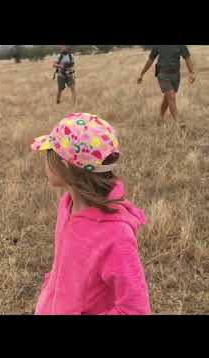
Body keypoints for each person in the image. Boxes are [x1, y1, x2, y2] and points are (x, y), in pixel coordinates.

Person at [31, 112, 151, 315]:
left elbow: (135, 309)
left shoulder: (116, 235)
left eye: (48, 153)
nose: (44, 160)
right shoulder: (67, 204)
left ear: (65, 165)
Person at [137, 45, 195, 127]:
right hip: (162, 74)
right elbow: (150, 60)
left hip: (176, 75)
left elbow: (187, 58)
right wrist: (142, 73)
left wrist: (192, 72)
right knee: (171, 96)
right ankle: (178, 121)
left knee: (167, 98)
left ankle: (160, 117)